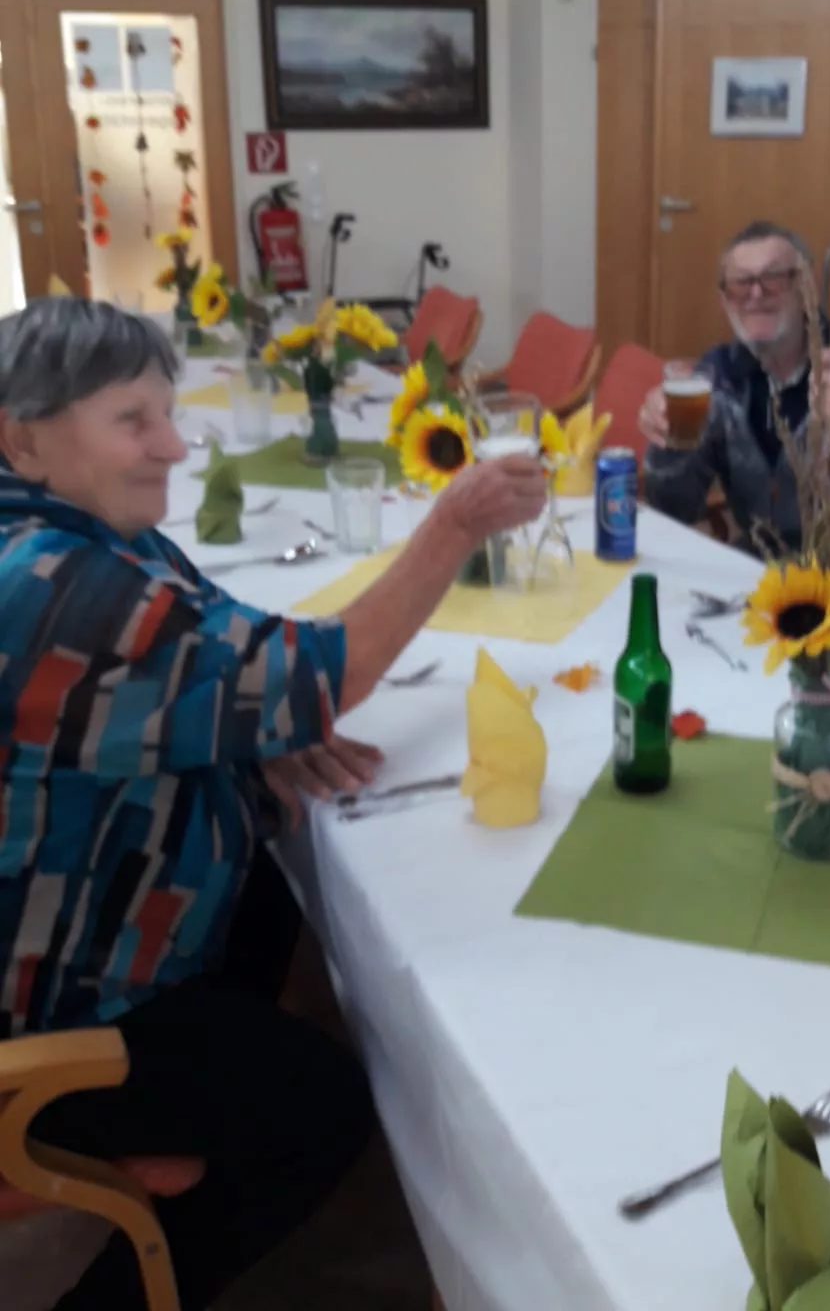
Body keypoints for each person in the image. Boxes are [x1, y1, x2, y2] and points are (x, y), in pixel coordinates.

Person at [0, 297, 546, 1311]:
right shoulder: (51, 585)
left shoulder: (82, 535)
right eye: (132, 421)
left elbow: (231, 642)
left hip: (82, 917)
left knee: (278, 873)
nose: (173, 446)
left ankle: (202, 1094)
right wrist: (454, 523)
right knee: (321, 1108)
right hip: (44, 1009)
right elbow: (322, 670)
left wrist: (251, 723)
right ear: (22, 439)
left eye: (169, 413)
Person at [638, 220, 830, 547]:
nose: (756, 294)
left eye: (773, 278)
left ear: (807, 287)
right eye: (741, 283)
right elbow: (674, 508)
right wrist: (669, 445)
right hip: (756, 561)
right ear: (724, 300)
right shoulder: (718, 378)